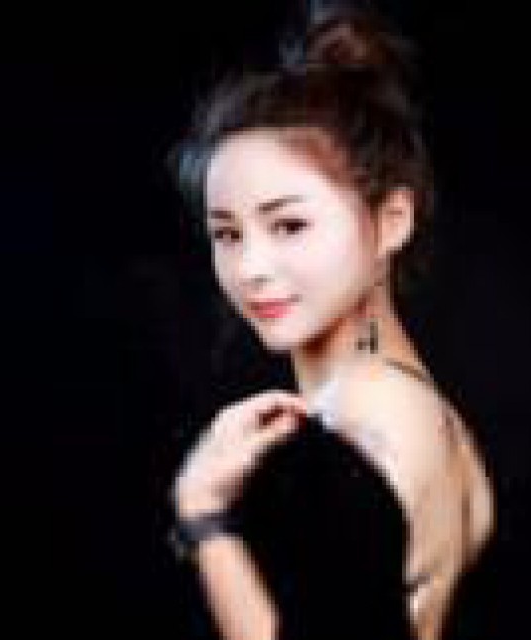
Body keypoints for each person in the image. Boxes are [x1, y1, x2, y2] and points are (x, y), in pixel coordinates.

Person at [165, 5, 495, 640]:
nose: (250, 267)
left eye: (289, 225)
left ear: (392, 221)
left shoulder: (368, 407)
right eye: (227, 234)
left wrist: (202, 514)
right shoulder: (405, 403)